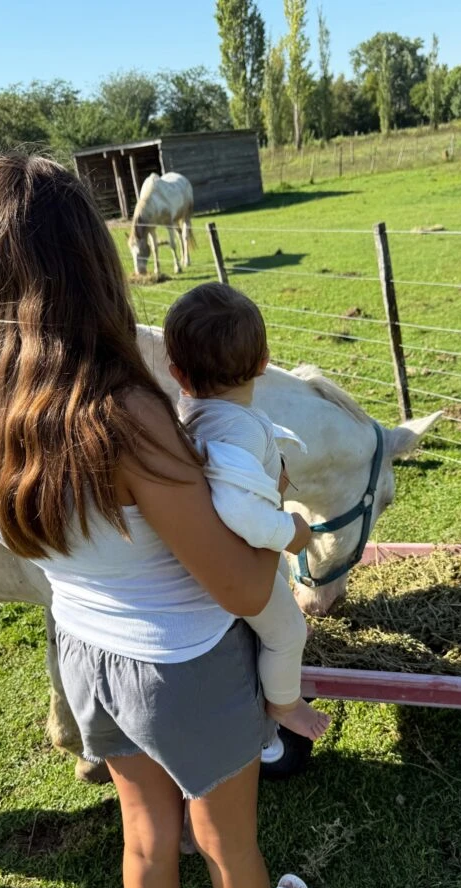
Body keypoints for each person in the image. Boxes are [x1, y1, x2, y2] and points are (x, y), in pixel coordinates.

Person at [0, 153, 315, 888]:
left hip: (84, 654)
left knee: (146, 837)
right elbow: (239, 587)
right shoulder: (128, 412)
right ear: (94, 263)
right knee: (224, 839)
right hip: (184, 667)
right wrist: (280, 525)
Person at [165, 282, 330, 742]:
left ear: (177, 373)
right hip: (240, 555)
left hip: (228, 555)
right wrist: (290, 531)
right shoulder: (231, 433)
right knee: (288, 632)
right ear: (264, 363)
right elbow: (241, 512)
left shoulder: (197, 412)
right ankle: (285, 703)